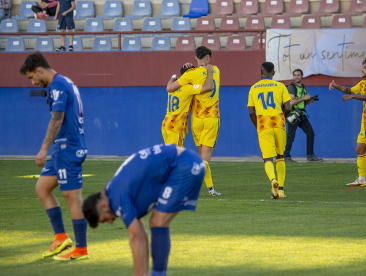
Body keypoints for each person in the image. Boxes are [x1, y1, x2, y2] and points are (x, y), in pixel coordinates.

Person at [82, 144, 205, 276]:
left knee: (158, 222)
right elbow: (141, 234)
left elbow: (136, 237)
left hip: (185, 165)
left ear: (102, 206)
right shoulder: (113, 191)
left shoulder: (117, 197)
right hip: (186, 162)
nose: (110, 222)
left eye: (104, 220)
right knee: (155, 223)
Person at [19, 52, 89, 260]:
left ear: (39, 70)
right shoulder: (61, 83)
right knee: (42, 188)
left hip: (68, 148)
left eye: (32, 77)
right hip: (61, 149)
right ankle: (61, 238)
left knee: (72, 198)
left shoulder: (58, 85)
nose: (32, 81)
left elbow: (57, 119)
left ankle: (81, 249)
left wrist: (43, 148)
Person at [166, 46, 221, 196]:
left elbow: (170, 88)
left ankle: (210, 189)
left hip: (189, 121)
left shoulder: (187, 80)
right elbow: (208, 86)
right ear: (208, 57)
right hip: (207, 119)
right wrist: (207, 70)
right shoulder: (215, 70)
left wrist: (174, 77)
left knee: (197, 158)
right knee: (201, 159)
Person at [248, 62, 291, 199]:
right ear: (273, 73)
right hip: (278, 122)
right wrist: (282, 118)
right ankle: (281, 191)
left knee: (267, 158)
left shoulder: (254, 88)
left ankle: (273, 180)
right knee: (280, 156)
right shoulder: (281, 86)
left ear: (261, 71)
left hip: (263, 123)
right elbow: (289, 107)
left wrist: (258, 126)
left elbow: (251, 112)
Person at [162, 64, 214, 147]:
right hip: (176, 126)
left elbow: (170, 84)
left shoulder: (173, 87)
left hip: (166, 124)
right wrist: (209, 71)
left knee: (170, 154)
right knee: (176, 155)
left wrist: (173, 77)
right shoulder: (188, 88)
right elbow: (207, 87)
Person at [283, 69, 323, 162]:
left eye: (298, 75)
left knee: (310, 133)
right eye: (295, 75)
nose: (296, 76)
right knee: (290, 136)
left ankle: (310, 156)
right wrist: (304, 98)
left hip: (301, 114)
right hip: (293, 115)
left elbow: (301, 103)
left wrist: (308, 102)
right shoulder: (292, 87)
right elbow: (291, 102)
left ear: (302, 76)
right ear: (293, 77)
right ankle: (286, 156)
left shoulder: (304, 88)